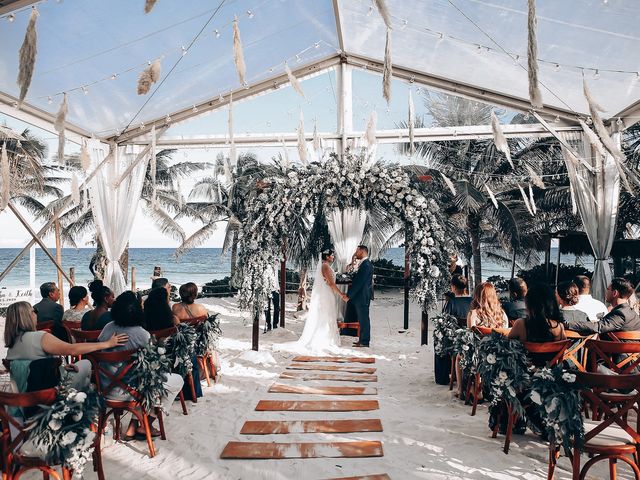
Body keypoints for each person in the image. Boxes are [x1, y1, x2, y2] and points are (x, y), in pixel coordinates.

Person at [98, 291, 184, 440]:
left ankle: (134, 424)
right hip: (132, 391)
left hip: (106, 389)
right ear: (138, 311)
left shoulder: (107, 328)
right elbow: (153, 365)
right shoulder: (141, 334)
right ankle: (146, 424)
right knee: (176, 381)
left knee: (149, 381)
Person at [4, 301, 127, 392]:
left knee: (83, 380)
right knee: (85, 365)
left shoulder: (12, 344)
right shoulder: (40, 337)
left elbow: (33, 367)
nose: (36, 314)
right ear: (27, 316)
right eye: (34, 311)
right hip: (49, 389)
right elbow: (72, 350)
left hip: (25, 392)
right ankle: (79, 411)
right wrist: (107, 343)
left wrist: (60, 369)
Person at [274, 249, 346, 353]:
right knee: (326, 315)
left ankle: (327, 337)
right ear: (327, 257)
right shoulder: (325, 267)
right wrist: (341, 294)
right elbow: (331, 283)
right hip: (326, 295)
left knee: (328, 315)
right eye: (332, 255)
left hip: (328, 294)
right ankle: (324, 338)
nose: (333, 257)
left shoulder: (326, 266)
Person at [435, 274, 472, 386]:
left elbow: (444, 320)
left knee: (438, 339)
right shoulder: (473, 300)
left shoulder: (452, 302)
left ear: (453, 287)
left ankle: (442, 377)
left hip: (455, 339)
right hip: (471, 337)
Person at [171, 282, 205, 401]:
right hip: (196, 343)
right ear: (195, 294)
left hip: (180, 343)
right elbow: (205, 325)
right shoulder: (201, 309)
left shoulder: (175, 307)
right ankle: (195, 391)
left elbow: (174, 324)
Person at [345, 245, 374, 348]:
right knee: (361, 319)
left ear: (362, 251)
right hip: (361, 296)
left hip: (362, 297)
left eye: (357, 251)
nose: (356, 253)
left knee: (364, 319)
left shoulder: (366, 265)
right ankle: (362, 340)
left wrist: (349, 296)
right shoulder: (363, 264)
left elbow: (359, 283)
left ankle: (365, 342)